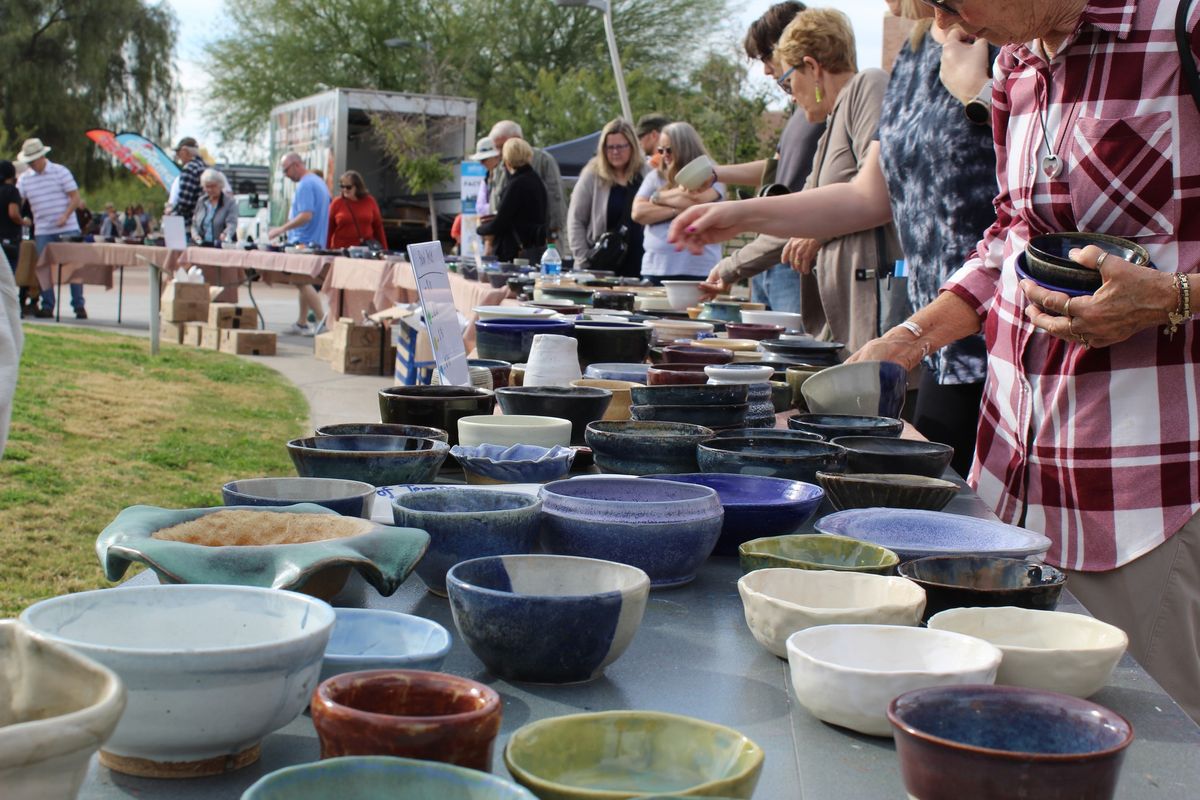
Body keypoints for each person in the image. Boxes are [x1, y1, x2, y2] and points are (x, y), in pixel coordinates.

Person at [676, 0, 1200, 723]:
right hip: (1011, 483)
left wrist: (1175, 295)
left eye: (949, 0)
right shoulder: (1018, 59)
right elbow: (1011, 239)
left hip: (1146, 498)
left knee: (1152, 750)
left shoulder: (1182, 27)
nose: (946, 20)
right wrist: (909, 340)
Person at [685, 0, 996, 477]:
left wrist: (981, 94)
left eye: (787, 80)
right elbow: (866, 195)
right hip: (944, 337)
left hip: (999, 330)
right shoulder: (912, 53)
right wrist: (739, 214)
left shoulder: (1004, 37)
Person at [707, 1, 825, 316]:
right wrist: (716, 174)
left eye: (765, 57)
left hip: (793, 260)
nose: (766, 70)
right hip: (770, 256)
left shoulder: (824, 109)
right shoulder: (800, 112)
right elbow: (777, 171)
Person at [630, 121, 724, 283]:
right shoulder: (655, 176)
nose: (664, 155)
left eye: (669, 149)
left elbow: (696, 199)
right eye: (660, 150)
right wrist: (677, 210)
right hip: (656, 268)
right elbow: (638, 212)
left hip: (698, 268)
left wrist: (657, 197)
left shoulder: (711, 173)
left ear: (685, 148)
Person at [566, 118, 647, 278]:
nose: (615, 152)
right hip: (602, 264)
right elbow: (575, 220)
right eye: (610, 147)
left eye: (620, 147)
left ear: (632, 146)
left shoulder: (647, 173)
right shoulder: (592, 174)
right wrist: (583, 260)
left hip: (640, 263)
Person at [15, 137, 85, 319]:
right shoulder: (25, 179)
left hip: (67, 226)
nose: (31, 165)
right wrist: (22, 216)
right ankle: (48, 305)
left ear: (41, 157)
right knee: (43, 267)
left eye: (32, 161)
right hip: (43, 229)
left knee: (73, 267)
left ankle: (78, 305)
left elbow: (75, 197)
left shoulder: (60, 172)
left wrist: (65, 215)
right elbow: (20, 200)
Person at [268, 153, 330, 335]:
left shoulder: (305, 185)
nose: (286, 174)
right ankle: (302, 322)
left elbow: (306, 215)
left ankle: (322, 320)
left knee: (300, 281)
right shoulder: (318, 182)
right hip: (314, 241)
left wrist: (281, 229)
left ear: (296, 165)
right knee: (303, 281)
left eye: (286, 170)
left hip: (303, 243)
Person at [487, 121, 566, 245]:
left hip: (540, 242)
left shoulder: (543, 160)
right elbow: (496, 203)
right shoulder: (499, 166)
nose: (499, 152)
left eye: (502, 146)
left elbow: (555, 199)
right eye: (496, 147)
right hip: (508, 243)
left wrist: (553, 233)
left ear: (518, 140)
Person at [477, 138, 548, 262]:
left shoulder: (516, 184)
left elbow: (501, 221)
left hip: (515, 251)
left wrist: (480, 229)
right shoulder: (537, 181)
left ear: (507, 159)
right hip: (536, 247)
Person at [327, 170, 388, 250]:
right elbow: (329, 229)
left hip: (365, 250)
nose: (345, 189)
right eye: (342, 186)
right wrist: (326, 250)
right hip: (341, 250)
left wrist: (385, 249)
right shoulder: (337, 203)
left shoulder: (369, 201)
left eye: (348, 187)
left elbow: (378, 227)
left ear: (357, 187)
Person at [191, 168, 237, 245]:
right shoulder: (201, 201)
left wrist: (225, 234)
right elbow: (194, 224)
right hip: (201, 245)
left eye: (213, 186)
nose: (209, 189)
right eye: (207, 186)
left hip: (221, 246)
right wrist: (195, 236)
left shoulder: (230, 203)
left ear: (220, 185)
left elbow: (232, 224)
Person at [170, 137, 207, 222]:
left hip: (189, 221)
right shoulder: (204, 166)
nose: (178, 156)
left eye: (178, 153)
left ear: (185, 151)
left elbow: (184, 202)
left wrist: (172, 211)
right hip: (203, 219)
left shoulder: (189, 169)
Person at [468, 137, 502, 216]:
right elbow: (480, 208)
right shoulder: (487, 178)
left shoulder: (504, 174)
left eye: (483, 160)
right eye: (480, 160)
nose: (481, 163)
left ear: (496, 157)